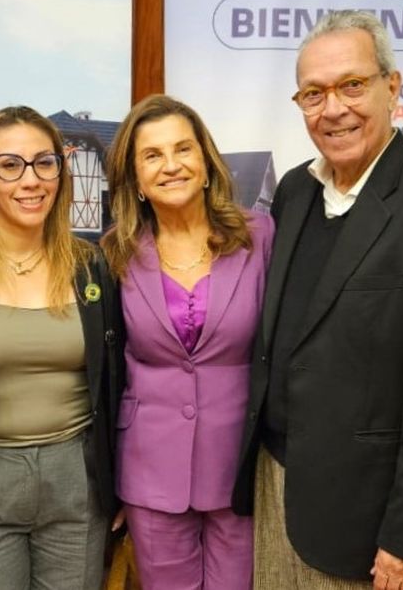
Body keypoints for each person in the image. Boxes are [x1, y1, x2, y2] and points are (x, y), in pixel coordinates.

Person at [232, 10, 403, 590]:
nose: (333, 108)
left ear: (392, 87)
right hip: (275, 487)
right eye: (313, 93)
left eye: (352, 85)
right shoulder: (296, 192)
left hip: (365, 521)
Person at [0, 106, 122, 590]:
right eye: (10, 164)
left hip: (76, 478)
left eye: (44, 162)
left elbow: (116, 378)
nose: (30, 180)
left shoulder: (90, 265)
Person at [102, 94, 274, 589]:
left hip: (240, 467)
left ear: (206, 163)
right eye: (152, 155)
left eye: (183, 149)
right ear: (135, 178)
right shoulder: (114, 253)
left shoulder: (260, 238)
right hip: (149, 468)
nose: (171, 165)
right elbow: (106, 368)